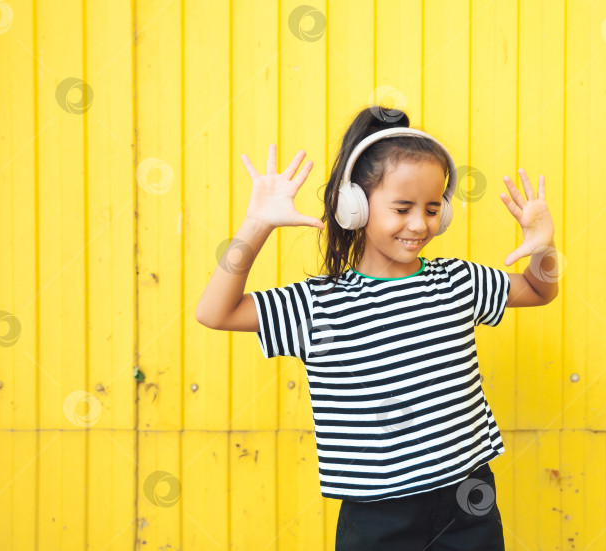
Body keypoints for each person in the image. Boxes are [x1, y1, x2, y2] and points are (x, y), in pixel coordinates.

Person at [195, 106, 558, 551]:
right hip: (378, 515)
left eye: (431, 208)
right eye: (402, 208)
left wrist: (544, 247)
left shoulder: (458, 281)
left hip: (469, 500)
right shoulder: (319, 303)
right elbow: (215, 312)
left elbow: (540, 291)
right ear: (356, 206)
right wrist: (256, 225)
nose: (419, 224)